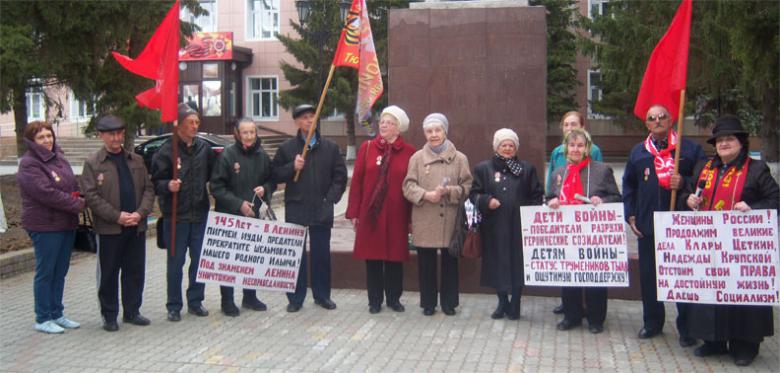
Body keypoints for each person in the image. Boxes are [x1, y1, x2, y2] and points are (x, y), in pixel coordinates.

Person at [681, 115, 778, 366]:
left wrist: (753, 207)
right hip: (711, 246)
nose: (723, 144)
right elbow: (689, 192)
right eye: (720, 140)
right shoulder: (705, 168)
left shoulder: (756, 169)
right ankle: (713, 341)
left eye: (729, 139)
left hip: (743, 249)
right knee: (710, 294)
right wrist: (688, 199)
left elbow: (775, 200)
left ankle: (745, 346)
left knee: (741, 297)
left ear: (741, 142)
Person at [622, 104, 706, 344]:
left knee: (683, 276)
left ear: (671, 120)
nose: (657, 121)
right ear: (646, 123)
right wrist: (631, 215)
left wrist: (685, 182)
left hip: (681, 225)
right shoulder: (639, 152)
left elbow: (705, 179)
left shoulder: (688, 149)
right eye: (652, 118)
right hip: (649, 225)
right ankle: (652, 322)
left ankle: (688, 328)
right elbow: (629, 187)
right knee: (649, 277)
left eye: (662, 117)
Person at [81, 115, 155, 332]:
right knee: (109, 272)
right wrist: (117, 216)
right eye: (111, 134)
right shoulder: (93, 163)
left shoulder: (136, 160)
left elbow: (149, 190)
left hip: (136, 226)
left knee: (134, 270)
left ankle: (132, 311)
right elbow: (91, 196)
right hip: (110, 228)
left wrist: (140, 213)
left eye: (120, 133)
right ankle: (109, 315)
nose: (116, 138)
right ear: (102, 135)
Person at [272, 104, 348, 312]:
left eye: (312, 116)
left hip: (321, 208)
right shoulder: (287, 148)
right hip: (297, 207)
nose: (309, 121)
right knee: (295, 255)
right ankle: (295, 298)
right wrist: (291, 168)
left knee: (321, 254)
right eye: (304, 117)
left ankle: (322, 295)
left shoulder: (330, 148)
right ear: (297, 122)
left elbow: (340, 177)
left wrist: (329, 199)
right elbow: (275, 174)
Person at [545, 129, 621, 334]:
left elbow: (616, 197)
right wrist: (550, 201)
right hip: (567, 235)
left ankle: (596, 319)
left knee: (594, 276)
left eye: (580, 145)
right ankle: (572, 316)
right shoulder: (558, 173)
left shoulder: (602, 170)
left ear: (587, 148)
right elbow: (548, 197)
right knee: (569, 275)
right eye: (572, 145)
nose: (576, 149)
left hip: (593, 236)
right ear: (565, 149)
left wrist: (602, 201)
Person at [347, 105, 416, 314]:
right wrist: (354, 213)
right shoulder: (367, 148)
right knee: (373, 258)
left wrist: (413, 218)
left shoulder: (410, 153)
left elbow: (412, 185)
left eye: (390, 122)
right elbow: (357, 182)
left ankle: (394, 299)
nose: (384, 125)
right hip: (371, 215)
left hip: (397, 214)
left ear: (399, 128)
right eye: (383, 121)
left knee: (395, 258)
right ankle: (374, 300)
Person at [17, 121, 85, 334]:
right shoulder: (29, 164)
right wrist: (76, 204)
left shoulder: (59, 157)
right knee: (46, 272)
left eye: (49, 135)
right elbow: (46, 193)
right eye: (41, 137)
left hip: (65, 223)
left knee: (60, 270)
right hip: (44, 225)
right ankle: (43, 317)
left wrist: (80, 196)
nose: (47, 140)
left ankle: (57, 313)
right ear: (32, 141)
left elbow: (71, 185)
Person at [403, 113, 473, 316]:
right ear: (424, 133)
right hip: (425, 218)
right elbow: (408, 186)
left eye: (437, 130)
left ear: (445, 131)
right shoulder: (416, 158)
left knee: (450, 264)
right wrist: (426, 195)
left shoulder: (460, 158)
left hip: (451, 219)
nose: (433, 134)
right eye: (429, 131)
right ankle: (428, 303)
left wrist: (450, 191)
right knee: (426, 264)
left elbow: (468, 187)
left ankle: (449, 303)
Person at [469, 128, 543, 320]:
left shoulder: (527, 169)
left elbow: (536, 195)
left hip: (520, 227)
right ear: (496, 147)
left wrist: (529, 213)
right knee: (496, 264)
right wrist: (487, 201)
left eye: (511, 145)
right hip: (494, 227)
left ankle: (516, 303)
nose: (508, 148)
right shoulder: (483, 168)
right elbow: (474, 194)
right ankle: (502, 302)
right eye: (504, 145)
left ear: (516, 148)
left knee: (518, 265)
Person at [152, 103, 216, 322]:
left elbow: (213, 175)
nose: (195, 126)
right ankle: (174, 305)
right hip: (176, 217)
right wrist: (168, 186)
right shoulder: (166, 151)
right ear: (178, 124)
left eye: (197, 122)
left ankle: (196, 301)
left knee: (199, 261)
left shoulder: (204, 149)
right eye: (191, 122)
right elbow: (155, 183)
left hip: (199, 215)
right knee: (175, 262)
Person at [211, 118, 276, 316]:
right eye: (245, 132)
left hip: (254, 218)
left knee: (251, 259)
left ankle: (250, 297)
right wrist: (239, 204)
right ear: (237, 134)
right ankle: (227, 300)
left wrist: (265, 189)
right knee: (229, 261)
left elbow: (271, 181)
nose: (249, 136)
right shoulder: (227, 155)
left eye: (252, 132)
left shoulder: (262, 156)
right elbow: (216, 187)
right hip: (230, 216)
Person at [546, 111, 603, 315]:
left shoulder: (594, 152)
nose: (570, 128)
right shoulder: (557, 154)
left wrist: (598, 200)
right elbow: (551, 182)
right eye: (566, 125)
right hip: (565, 217)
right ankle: (570, 307)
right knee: (567, 263)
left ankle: (591, 308)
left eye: (574, 124)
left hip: (587, 219)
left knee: (589, 264)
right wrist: (549, 199)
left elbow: (600, 182)